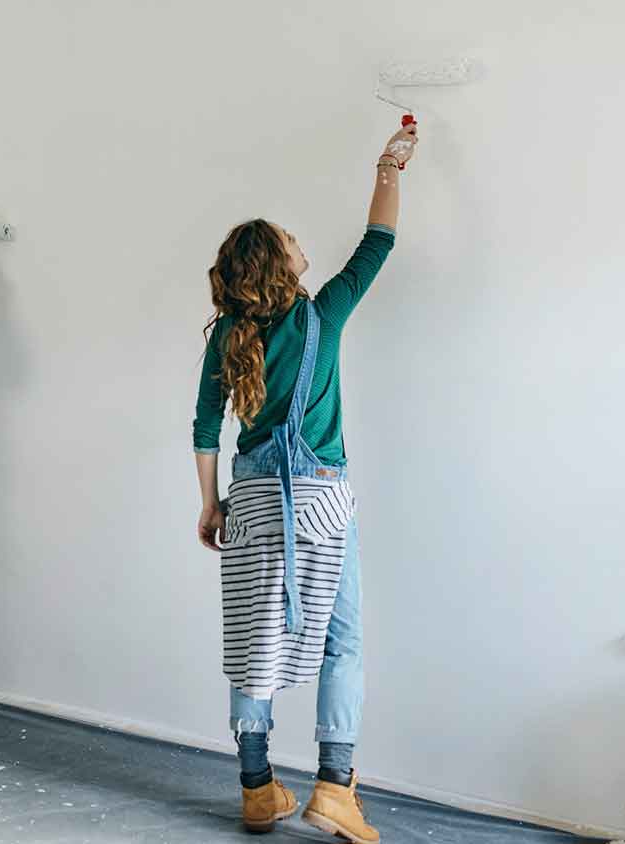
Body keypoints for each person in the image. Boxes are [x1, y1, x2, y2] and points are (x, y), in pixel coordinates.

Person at [192, 121, 417, 841]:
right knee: (342, 640)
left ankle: (258, 789)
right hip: (320, 497)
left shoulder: (227, 334)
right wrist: (389, 168)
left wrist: (210, 505)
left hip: (251, 500)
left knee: (252, 639)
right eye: (291, 238)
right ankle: (334, 788)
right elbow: (377, 241)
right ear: (281, 263)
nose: (300, 242)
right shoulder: (324, 314)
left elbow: (204, 426)